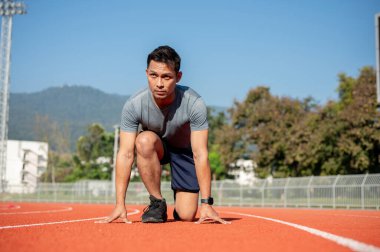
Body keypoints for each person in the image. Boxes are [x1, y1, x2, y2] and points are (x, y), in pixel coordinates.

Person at [98, 45, 230, 224]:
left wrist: (206, 203)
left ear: (178, 77)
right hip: (156, 147)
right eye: (154, 76)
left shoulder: (194, 103)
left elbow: (200, 154)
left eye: (166, 77)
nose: (159, 83)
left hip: (184, 152)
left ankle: (180, 204)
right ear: (147, 73)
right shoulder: (134, 105)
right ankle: (157, 202)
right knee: (143, 140)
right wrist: (119, 204)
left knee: (186, 216)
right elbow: (125, 154)